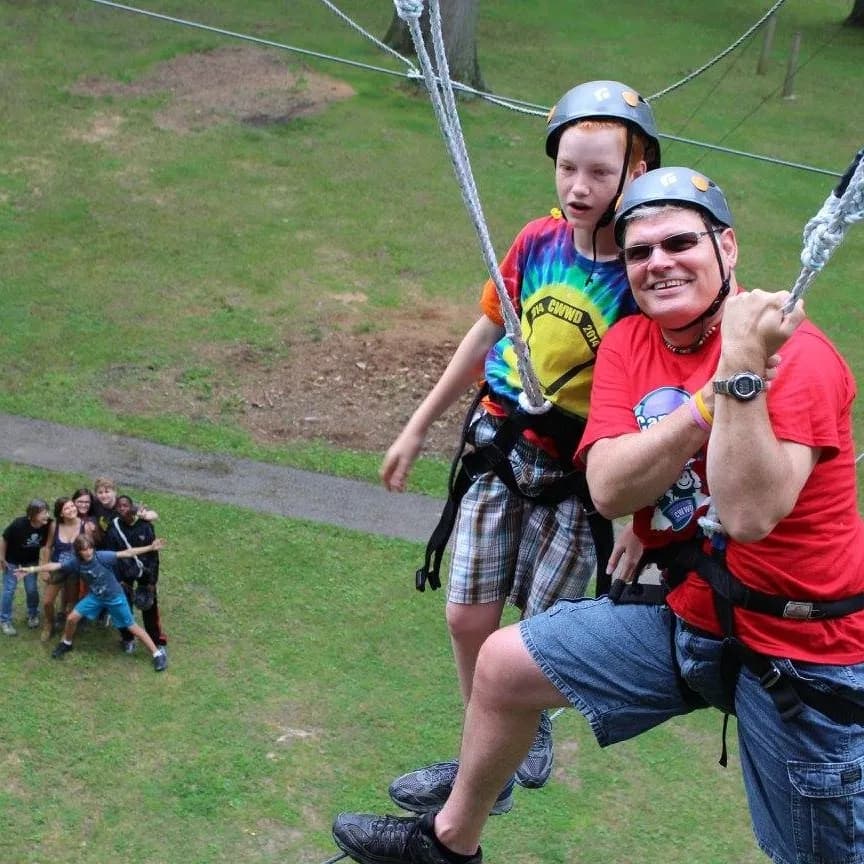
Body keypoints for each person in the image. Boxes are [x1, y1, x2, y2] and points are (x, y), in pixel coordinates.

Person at [331, 168, 864, 864]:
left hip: (804, 656)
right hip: (692, 618)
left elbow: (748, 514)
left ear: (727, 247)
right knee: (502, 665)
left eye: (680, 242)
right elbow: (610, 489)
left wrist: (739, 362)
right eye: (639, 251)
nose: (658, 262)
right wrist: (713, 398)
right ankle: (449, 844)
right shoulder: (631, 344)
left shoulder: (801, 357)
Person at [380, 80, 659, 811]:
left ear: (636, 172)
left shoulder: (645, 271)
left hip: (578, 474)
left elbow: (661, 404)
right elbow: (488, 331)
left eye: (599, 172)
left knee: (542, 638)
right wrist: (418, 425)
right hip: (500, 446)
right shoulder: (537, 241)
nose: (579, 186)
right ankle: (492, 754)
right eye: (568, 168)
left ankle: (512, 742)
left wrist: (645, 519)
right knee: (466, 617)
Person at [18, 534, 169, 672]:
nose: (88, 552)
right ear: (78, 551)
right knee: (71, 618)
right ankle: (66, 643)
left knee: (132, 627)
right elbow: (55, 565)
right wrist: (31, 569)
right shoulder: (76, 563)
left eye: (90, 548)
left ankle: (157, 654)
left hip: (115, 597)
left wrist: (151, 547)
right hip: (96, 597)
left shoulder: (102, 557)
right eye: (84, 549)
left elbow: (127, 553)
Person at [104, 495, 167, 651]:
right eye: (119, 506)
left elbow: (153, 555)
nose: (122, 509)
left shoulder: (145, 526)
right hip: (124, 573)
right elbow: (112, 556)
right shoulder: (113, 528)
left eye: (125, 505)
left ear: (132, 507)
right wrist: (118, 580)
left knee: (150, 606)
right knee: (123, 607)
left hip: (145, 571)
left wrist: (152, 582)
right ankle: (127, 639)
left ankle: (157, 641)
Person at [0, 499, 52, 635]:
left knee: (31, 589)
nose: (47, 515)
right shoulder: (18, 524)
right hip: (12, 561)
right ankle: (5, 620)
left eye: (47, 512)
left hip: (30, 561)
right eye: (43, 513)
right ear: (32, 515)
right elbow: (4, 539)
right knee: (9, 590)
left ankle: (33, 614)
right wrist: (2, 558)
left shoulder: (47, 524)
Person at [39, 497, 87, 642]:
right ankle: (49, 624)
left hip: (74, 571)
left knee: (71, 603)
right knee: (47, 602)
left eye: (72, 506)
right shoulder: (55, 526)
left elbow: (88, 550)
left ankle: (67, 630)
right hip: (57, 568)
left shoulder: (84, 526)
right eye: (67, 508)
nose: (72, 509)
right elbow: (48, 547)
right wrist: (44, 569)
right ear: (61, 513)